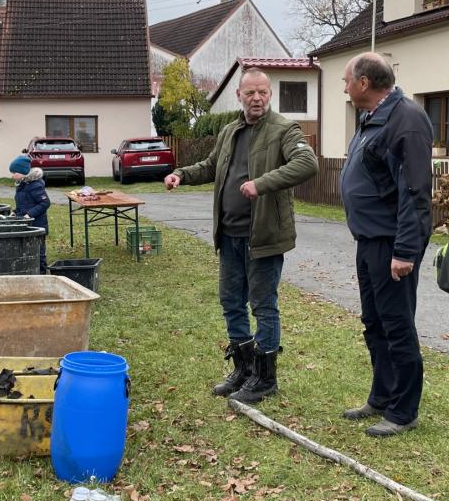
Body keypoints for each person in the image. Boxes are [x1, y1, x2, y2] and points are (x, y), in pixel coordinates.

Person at [164, 67, 318, 403]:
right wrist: (181, 174)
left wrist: (261, 184)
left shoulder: (284, 130)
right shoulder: (230, 130)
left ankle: (265, 377)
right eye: (250, 93)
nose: (257, 98)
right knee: (232, 302)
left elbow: (307, 163)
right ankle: (244, 368)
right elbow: (210, 166)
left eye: (263, 92)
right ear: (239, 95)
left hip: (263, 237)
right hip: (230, 236)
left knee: (263, 306)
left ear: (270, 94)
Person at [338, 52, 434, 437]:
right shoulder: (372, 117)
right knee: (374, 323)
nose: (344, 87)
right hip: (369, 239)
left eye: (346, 80)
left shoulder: (406, 120)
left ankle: (403, 411)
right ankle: (381, 396)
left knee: (396, 325)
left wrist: (405, 251)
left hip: (391, 242)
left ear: (364, 83)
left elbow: (415, 191)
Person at [10, 153, 50, 273]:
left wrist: (30, 214)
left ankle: (42, 273)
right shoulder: (21, 185)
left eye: (14, 172)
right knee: (26, 251)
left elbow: (45, 203)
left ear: (23, 172)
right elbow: (23, 203)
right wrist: (15, 212)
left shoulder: (35, 186)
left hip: (37, 225)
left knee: (38, 251)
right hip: (25, 224)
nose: (12, 175)